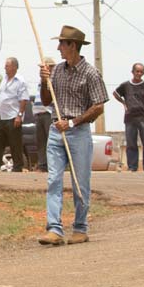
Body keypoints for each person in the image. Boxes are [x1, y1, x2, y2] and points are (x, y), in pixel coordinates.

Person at [38, 25, 108, 246]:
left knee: (80, 182)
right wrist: (43, 81)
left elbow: (98, 107)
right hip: (56, 132)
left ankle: (80, 227)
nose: (58, 48)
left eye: (62, 43)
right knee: (53, 180)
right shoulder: (57, 71)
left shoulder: (90, 73)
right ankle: (54, 229)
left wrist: (72, 122)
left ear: (73, 46)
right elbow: (47, 101)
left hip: (78, 132)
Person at [0, 57, 30, 172]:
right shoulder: (5, 79)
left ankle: (18, 167)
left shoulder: (20, 81)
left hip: (13, 117)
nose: (4, 68)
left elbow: (24, 100)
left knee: (15, 144)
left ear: (14, 67)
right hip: (1, 117)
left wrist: (20, 115)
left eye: (7, 65)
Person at [113, 62, 144, 172]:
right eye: (137, 71)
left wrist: (143, 107)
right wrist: (124, 103)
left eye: (141, 71)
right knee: (131, 143)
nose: (139, 73)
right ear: (133, 72)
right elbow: (115, 93)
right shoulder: (125, 85)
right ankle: (132, 167)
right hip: (130, 118)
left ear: (143, 73)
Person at [33, 57, 56, 172]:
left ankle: (52, 165)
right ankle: (42, 165)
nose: (41, 69)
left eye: (44, 67)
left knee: (50, 141)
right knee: (41, 141)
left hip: (48, 113)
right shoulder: (41, 81)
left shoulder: (52, 80)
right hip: (39, 114)